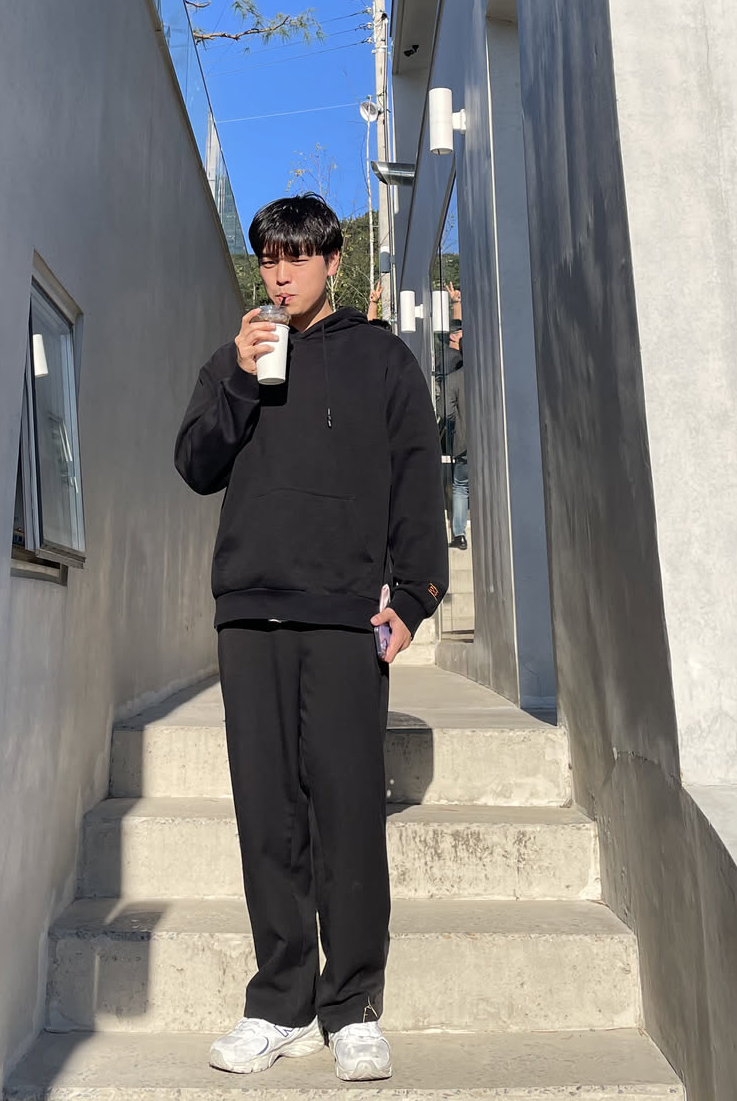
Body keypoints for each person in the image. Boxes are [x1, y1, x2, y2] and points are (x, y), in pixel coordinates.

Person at [175, 194, 447, 1083]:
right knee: (268, 815)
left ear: (333, 260)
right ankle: (280, 1004)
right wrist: (238, 376)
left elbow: (417, 476)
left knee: (348, 812)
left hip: (341, 616)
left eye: (298, 256)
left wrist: (416, 596)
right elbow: (195, 465)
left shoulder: (383, 359)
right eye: (270, 259)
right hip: (250, 613)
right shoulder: (236, 358)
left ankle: (353, 1005)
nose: (282, 273)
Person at [440, 323, 468, 551]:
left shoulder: (454, 379)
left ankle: (459, 534)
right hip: (492, 445)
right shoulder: (490, 377)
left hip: (464, 442)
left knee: (460, 486)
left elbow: (446, 412)